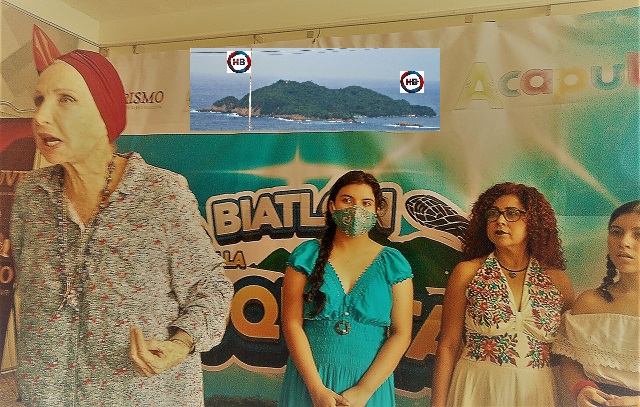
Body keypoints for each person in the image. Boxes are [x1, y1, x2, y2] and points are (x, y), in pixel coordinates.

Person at [9, 28, 234, 406]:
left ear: (105, 113)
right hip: (47, 395)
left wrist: (180, 344)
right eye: (39, 100)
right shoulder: (31, 196)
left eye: (65, 99)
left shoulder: (161, 193)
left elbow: (210, 288)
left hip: (142, 395)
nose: (41, 116)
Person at [431, 182, 574, 407]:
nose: (500, 220)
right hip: (476, 388)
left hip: (536, 392)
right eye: (493, 213)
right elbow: (448, 345)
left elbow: (567, 352)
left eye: (512, 213)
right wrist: (437, 404)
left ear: (533, 221)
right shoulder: (468, 272)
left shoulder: (558, 281)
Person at [278, 170, 414, 407]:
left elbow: (401, 334)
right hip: (311, 384)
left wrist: (364, 390)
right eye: (347, 200)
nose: (356, 209)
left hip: (369, 388)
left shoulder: (393, 263)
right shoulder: (306, 256)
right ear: (332, 206)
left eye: (366, 203)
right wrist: (316, 388)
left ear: (376, 210)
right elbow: (291, 323)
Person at [553, 200, 640, 407]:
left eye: (639, 234)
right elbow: (569, 360)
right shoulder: (589, 302)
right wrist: (581, 388)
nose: (624, 242)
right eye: (616, 232)